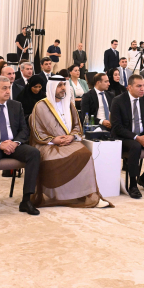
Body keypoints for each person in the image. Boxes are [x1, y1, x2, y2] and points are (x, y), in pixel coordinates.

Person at [28, 75, 111, 208]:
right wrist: (54, 139)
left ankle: (89, 195)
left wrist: (72, 137)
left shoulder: (69, 104)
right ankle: (59, 194)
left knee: (85, 154)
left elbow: (77, 126)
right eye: (59, 85)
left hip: (69, 141)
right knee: (52, 159)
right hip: (47, 143)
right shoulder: (41, 106)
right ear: (52, 87)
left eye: (64, 85)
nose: (63, 88)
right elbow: (37, 130)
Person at [0, 76, 41, 222]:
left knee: (34, 153)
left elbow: (24, 130)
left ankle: (26, 200)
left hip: (13, 144)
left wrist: (15, 143)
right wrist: (0, 144)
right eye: (4, 88)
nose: (8, 91)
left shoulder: (16, 105)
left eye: (9, 88)